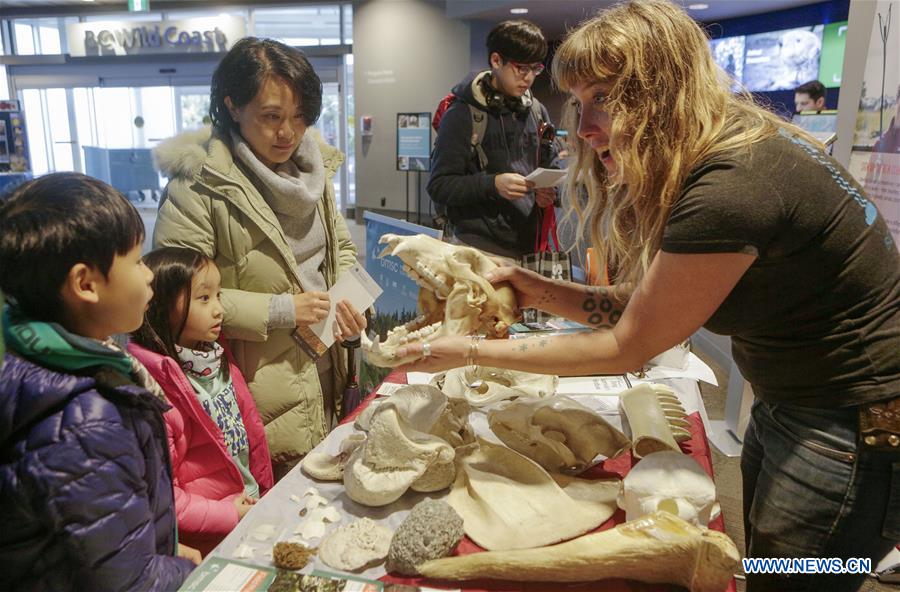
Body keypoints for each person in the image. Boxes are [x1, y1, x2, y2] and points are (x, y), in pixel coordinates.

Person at [401, 2, 900, 590]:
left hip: (853, 421)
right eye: (579, 105)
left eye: (604, 99)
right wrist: (530, 286)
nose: (584, 128)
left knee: (799, 574)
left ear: (664, 91)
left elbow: (627, 345)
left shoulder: (733, 184)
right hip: (800, 400)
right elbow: (642, 304)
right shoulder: (736, 148)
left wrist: (466, 352)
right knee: (766, 555)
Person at [153, 37, 366, 477]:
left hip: (328, 362)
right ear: (232, 106)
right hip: (256, 383)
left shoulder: (315, 169)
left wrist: (349, 296)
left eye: (300, 116)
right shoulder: (199, 186)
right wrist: (284, 309)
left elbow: (342, 248)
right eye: (271, 117)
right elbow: (174, 295)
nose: (288, 132)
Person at [0, 173, 198, 590]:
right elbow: (130, 583)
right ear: (85, 285)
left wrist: (162, 549)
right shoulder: (85, 422)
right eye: (138, 260)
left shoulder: (41, 360)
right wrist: (194, 574)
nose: (148, 276)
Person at [129, 247, 275, 555]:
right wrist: (230, 514)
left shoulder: (217, 358)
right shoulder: (157, 388)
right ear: (162, 304)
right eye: (204, 298)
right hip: (210, 540)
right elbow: (165, 493)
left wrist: (263, 492)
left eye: (218, 296)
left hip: (254, 510)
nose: (219, 309)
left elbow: (251, 439)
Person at [427, 19, 561, 257]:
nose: (529, 78)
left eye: (536, 69)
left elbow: (550, 162)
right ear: (496, 61)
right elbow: (439, 185)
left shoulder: (536, 110)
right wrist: (493, 184)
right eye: (521, 68)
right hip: (478, 250)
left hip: (530, 247)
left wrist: (549, 193)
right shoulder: (462, 114)